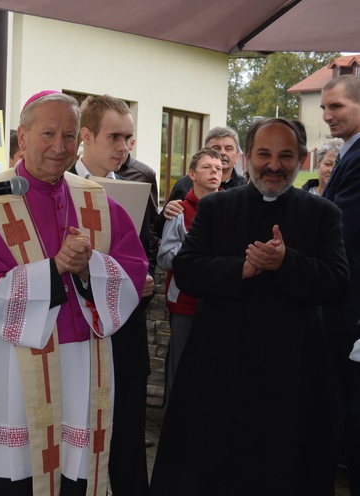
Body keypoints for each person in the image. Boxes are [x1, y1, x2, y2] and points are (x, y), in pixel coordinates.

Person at [0, 90, 148, 496]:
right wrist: (55, 269)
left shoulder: (96, 201)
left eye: (70, 135)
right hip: (11, 370)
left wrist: (90, 266)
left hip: (81, 366)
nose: (60, 147)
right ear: (22, 138)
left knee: (74, 473)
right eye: (48, 134)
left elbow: (133, 269)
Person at [149, 118, 350, 496]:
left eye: (285, 155)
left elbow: (338, 284)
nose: (273, 165)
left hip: (290, 370)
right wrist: (240, 268)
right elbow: (187, 269)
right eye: (264, 154)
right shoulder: (216, 208)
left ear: (302, 158)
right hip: (218, 363)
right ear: (245, 158)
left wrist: (286, 263)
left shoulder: (323, 214)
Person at [71, 94, 154, 496]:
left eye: (129, 138)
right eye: (115, 137)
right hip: (77, 334)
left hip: (124, 338)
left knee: (125, 440)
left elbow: (147, 252)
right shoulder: (58, 188)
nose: (124, 148)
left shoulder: (140, 185)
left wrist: (147, 280)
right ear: (86, 136)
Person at [156, 148, 222, 407]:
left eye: (218, 167)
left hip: (220, 300)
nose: (215, 171)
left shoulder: (232, 206)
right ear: (192, 175)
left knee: (214, 366)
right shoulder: (179, 211)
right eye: (207, 167)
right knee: (181, 365)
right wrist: (199, 256)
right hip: (185, 302)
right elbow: (164, 257)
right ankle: (174, 423)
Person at [320, 74, 360, 494]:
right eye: (324, 109)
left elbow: (340, 229)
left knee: (345, 414)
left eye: (337, 107)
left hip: (348, 308)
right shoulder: (350, 152)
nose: (328, 116)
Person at [156, 126, 247, 235]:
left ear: (237, 155)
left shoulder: (245, 187)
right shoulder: (184, 184)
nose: (222, 153)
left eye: (228, 148)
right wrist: (166, 213)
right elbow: (160, 229)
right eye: (216, 148)